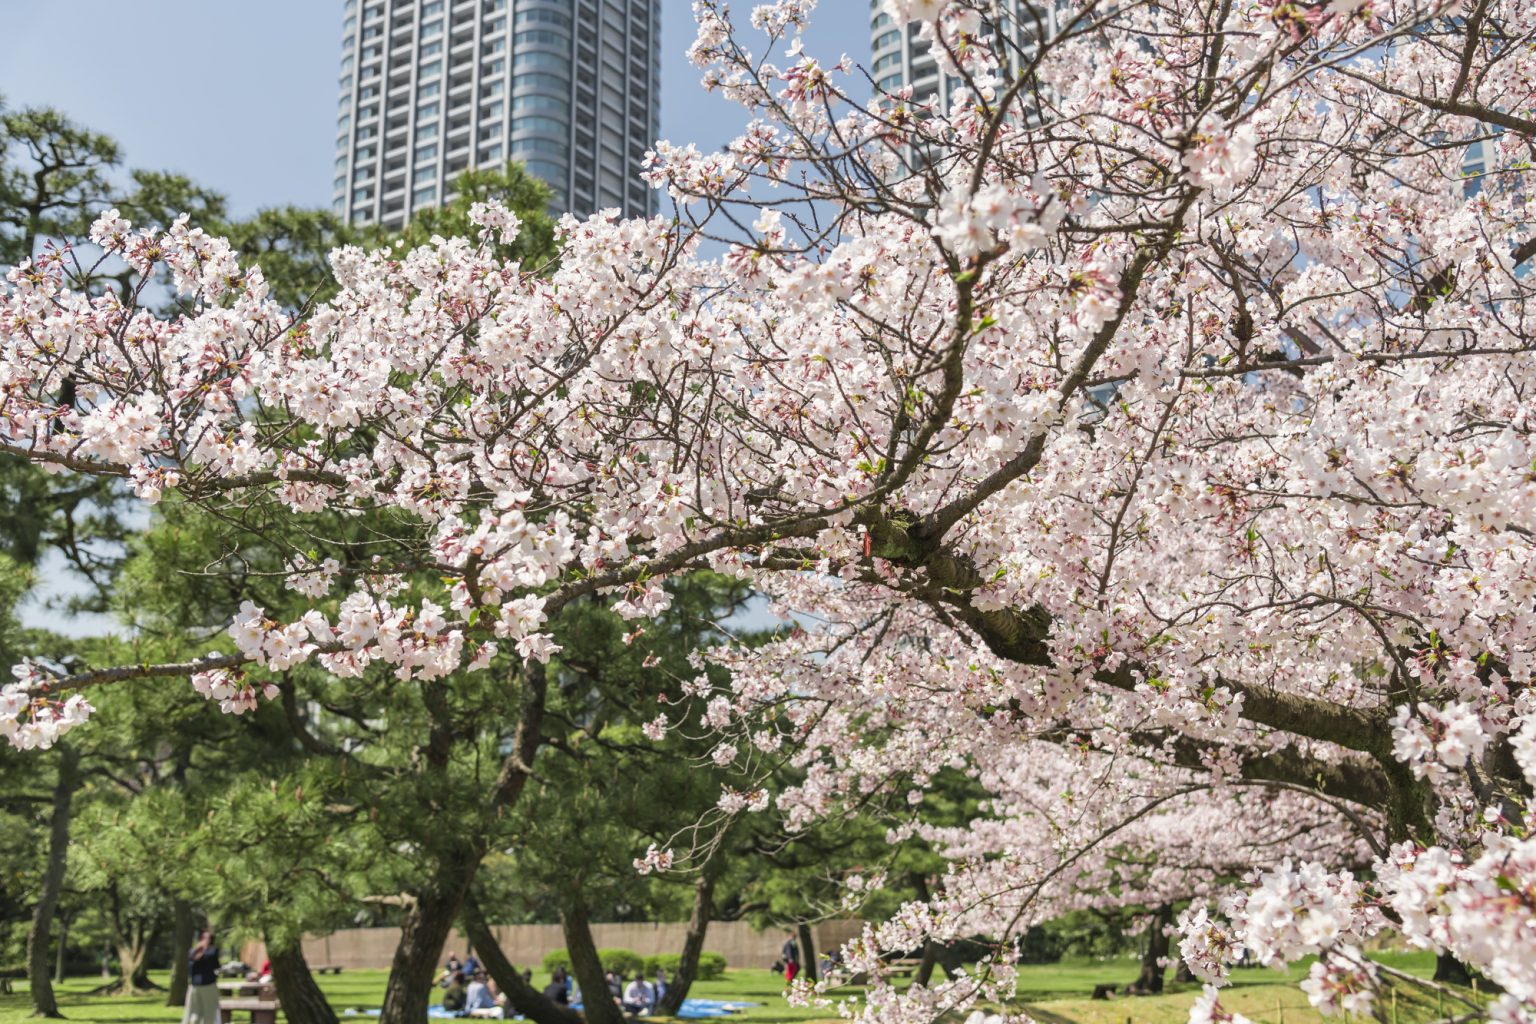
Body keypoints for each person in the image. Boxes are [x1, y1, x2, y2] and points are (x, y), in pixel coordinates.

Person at [182, 930, 222, 1024]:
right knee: (192, 1014)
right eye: (203, 938)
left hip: (208, 985)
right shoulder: (193, 951)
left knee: (210, 1015)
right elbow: (191, 960)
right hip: (194, 986)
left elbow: (214, 964)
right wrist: (198, 950)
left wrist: (203, 951)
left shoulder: (213, 951)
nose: (204, 940)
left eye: (207, 938)